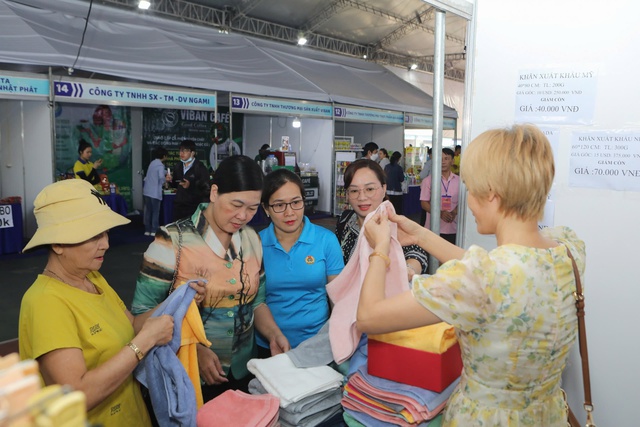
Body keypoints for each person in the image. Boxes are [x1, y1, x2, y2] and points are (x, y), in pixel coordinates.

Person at [357, 124, 585, 426]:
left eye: (472, 189)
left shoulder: (483, 277)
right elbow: (503, 276)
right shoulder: (568, 250)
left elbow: (369, 316)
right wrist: (422, 236)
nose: (470, 201)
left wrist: (380, 248)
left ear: (492, 193)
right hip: (549, 415)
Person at [18, 179, 205, 426]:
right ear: (58, 243)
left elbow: (133, 325)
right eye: (93, 235)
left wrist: (179, 296)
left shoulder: (93, 278)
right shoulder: (44, 302)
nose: (105, 243)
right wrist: (146, 341)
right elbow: (77, 395)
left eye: (105, 232)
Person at [132, 155, 290, 402]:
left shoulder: (251, 240)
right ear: (214, 192)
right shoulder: (173, 241)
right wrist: (194, 349)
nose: (243, 215)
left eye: (252, 207)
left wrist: (273, 334)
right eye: (236, 204)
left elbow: (257, 303)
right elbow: (141, 319)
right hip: (186, 374)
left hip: (243, 370)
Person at [258, 169, 344, 356]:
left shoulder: (326, 240)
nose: (290, 213)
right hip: (268, 345)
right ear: (266, 208)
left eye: (296, 202)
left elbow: (338, 297)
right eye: (279, 205)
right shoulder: (255, 244)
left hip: (318, 344)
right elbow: (255, 302)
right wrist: (274, 335)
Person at [336, 159, 428, 282]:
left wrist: (408, 269)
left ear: (384, 189)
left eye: (369, 189)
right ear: (347, 194)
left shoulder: (396, 224)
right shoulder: (345, 220)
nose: (362, 197)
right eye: (354, 191)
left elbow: (416, 255)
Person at [420, 147, 460, 244]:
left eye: (446, 159)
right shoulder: (428, 181)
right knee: (433, 258)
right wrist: (440, 213)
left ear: (452, 161)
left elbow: (464, 201)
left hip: (454, 228)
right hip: (433, 228)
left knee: (451, 257)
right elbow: (424, 203)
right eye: (440, 159)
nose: (443, 162)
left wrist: (454, 212)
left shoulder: (460, 181)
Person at [170, 139, 210, 221]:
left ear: (192, 153)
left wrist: (190, 186)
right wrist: (170, 181)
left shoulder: (200, 167)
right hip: (179, 206)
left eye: (185, 151)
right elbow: (175, 185)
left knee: (192, 232)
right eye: (180, 150)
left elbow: (206, 190)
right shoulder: (178, 166)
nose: (181, 153)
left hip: (193, 208)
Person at [143, 146, 170, 237]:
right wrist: (165, 181)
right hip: (155, 192)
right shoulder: (160, 165)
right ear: (164, 156)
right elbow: (161, 177)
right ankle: (154, 230)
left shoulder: (152, 163)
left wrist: (166, 172)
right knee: (155, 212)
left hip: (147, 191)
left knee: (148, 211)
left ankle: (147, 230)